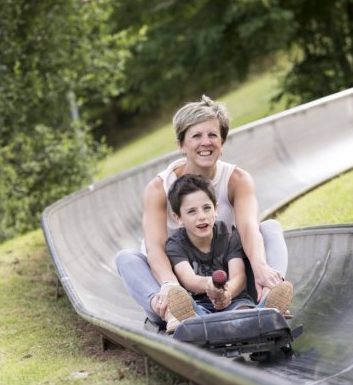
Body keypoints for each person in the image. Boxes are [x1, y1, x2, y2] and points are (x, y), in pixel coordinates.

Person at [115, 95, 289, 328]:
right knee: (126, 258)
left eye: (212, 135)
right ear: (181, 144)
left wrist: (259, 267)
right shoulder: (159, 188)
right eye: (196, 136)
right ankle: (175, 314)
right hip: (177, 283)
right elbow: (154, 246)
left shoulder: (236, 179)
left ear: (222, 142)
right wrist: (169, 285)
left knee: (270, 228)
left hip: (231, 284)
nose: (205, 142)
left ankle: (269, 297)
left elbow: (248, 229)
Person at [163, 174, 293, 333]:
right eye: (191, 212)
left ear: (215, 209)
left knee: (242, 312)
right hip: (200, 303)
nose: (201, 216)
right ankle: (195, 321)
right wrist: (211, 287)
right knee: (194, 312)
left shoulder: (228, 234)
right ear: (178, 218)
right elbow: (189, 279)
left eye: (206, 208)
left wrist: (226, 294)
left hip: (234, 300)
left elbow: (239, 276)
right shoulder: (176, 244)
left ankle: (264, 311)